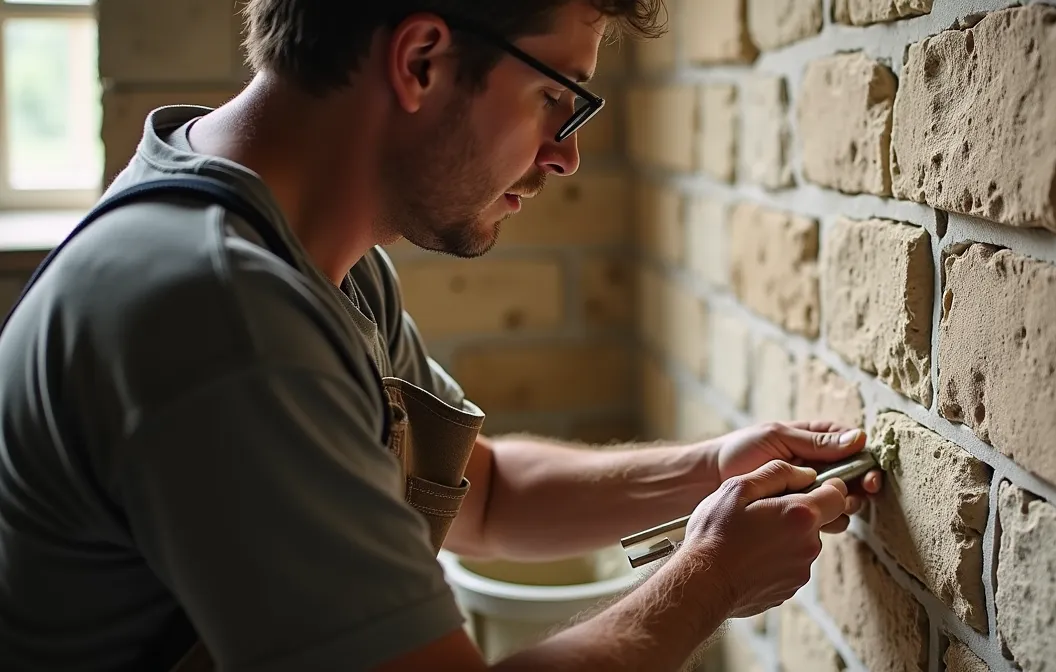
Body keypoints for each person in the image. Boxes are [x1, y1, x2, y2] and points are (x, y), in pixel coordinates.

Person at [0, 1, 883, 670]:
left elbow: (482, 494)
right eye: (555, 99)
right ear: (422, 59)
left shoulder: (312, 254)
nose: (565, 155)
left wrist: (708, 468)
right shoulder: (220, 314)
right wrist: (712, 581)